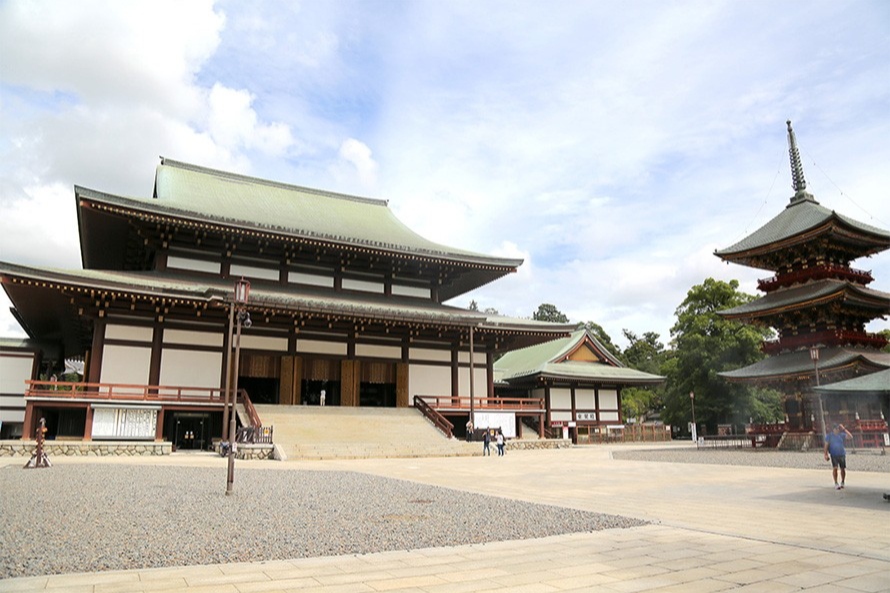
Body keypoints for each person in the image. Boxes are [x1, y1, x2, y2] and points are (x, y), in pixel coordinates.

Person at [824, 423, 853, 489]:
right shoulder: (829, 436)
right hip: (834, 454)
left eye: (838, 429)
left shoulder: (841, 435)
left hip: (842, 454)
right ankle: (836, 483)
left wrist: (844, 429)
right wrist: (825, 454)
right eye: (836, 429)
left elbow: (850, 436)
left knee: (842, 469)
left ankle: (842, 482)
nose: (837, 430)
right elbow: (826, 445)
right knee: (835, 468)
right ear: (833, 429)